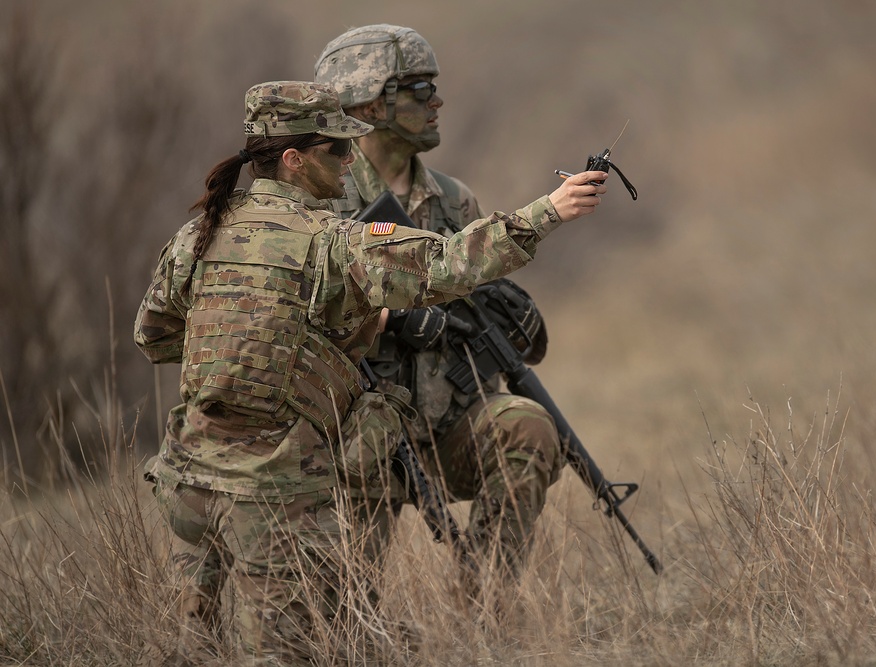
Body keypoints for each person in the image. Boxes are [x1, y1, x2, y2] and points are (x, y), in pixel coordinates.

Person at [135, 80, 606, 664]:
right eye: (337, 148)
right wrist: (549, 211)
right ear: (294, 159)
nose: (349, 158)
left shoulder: (197, 234)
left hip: (187, 482)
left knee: (191, 650)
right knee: (288, 654)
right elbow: (447, 264)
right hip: (272, 490)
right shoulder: (333, 244)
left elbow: (154, 336)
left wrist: (256, 352)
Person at [313, 24, 566, 583]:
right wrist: (389, 319)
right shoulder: (321, 200)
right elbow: (299, 317)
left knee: (528, 428)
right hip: (349, 440)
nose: (437, 102)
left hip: (442, 428)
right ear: (371, 103)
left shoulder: (454, 201)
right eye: (421, 89)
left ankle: (481, 606)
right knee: (343, 613)